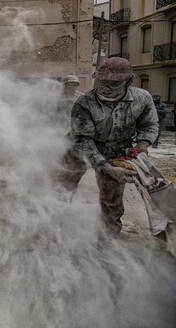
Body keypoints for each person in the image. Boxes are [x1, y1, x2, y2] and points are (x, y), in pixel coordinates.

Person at [57, 57, 158, 237]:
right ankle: (55, 229)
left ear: (128, 81)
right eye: (102, 81)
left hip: (117, 151)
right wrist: (104, 166)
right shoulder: (85, 103)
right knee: (63, 188)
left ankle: (108, 241)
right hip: (79, 150)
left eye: (114, 84)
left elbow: (149, 125)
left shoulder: (142, 99)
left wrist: (142, 145)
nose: (105, 87)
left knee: (112, 202)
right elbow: (82, 140)